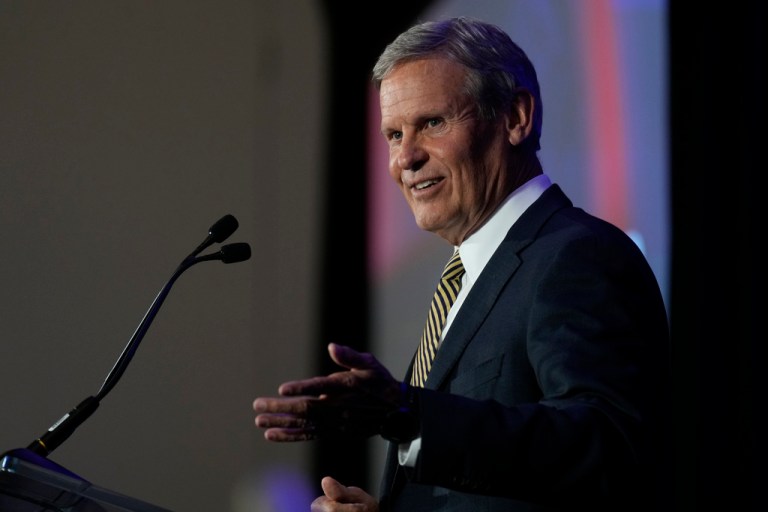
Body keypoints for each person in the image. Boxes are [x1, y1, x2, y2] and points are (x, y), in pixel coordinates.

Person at [253, 16, 671, 511]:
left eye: (432, 123)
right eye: (392, 134)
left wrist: (409, 413)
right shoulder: (467, 275)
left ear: (516, 117)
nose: (405, 158)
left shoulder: (577, 256)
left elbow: (607, 445)